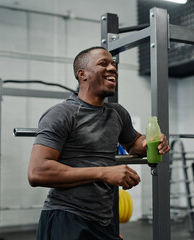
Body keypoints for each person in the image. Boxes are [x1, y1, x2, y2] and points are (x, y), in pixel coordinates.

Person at [28, 46, 170, 240]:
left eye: (114, 64)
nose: (113, 68)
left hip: (102, 221)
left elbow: (135, 143)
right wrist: (104, 172)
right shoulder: (62, 114)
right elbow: (37, 172)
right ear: (82, 74)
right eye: (103, 63)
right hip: (66, 218)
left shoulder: (117, 113)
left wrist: (151, 142)